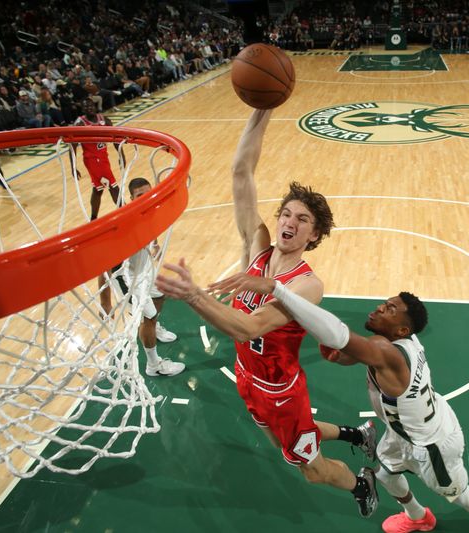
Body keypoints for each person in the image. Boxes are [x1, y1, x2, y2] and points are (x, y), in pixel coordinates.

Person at [155, 109, 379, 518]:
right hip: (246, 377)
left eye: (302, 219)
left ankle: (362, 482)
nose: (289, 222)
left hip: (282, 392)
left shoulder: (307, 285)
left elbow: (250, 326)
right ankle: (354, 433)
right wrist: (264, 108)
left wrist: (193, 296)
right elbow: (242, 173)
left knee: (312, 471)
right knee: (285, 442)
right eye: (286, 214)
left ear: (313, 236)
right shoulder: (256, 246)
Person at [206, 275, 469, 533]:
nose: (381, 308)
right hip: (403, 430)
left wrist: (279, 290)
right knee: (385, 472)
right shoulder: (396, 343)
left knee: (459, 494)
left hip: (431, 444)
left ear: (402, 327)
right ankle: (418, 517)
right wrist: (339, 356)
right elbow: (352, 354)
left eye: (390, 310)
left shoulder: (387, 351)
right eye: (385, 303)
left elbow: (339, 336)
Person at [101, 177, 182, 376]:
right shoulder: (120, 225)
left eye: (147, 193)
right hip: (126, 277)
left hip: (144, 268)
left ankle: (154, 328)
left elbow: (150, 232)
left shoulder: (148, 212)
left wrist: (154, 247)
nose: (145, 198)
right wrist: (105, 302)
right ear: (131, 198)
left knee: (160, 296)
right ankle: (154, 366)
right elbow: (103, 264)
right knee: (148, 316)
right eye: (139, 196)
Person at [70, 98, 121, 220]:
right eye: (86, 107)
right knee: (113, 186)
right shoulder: (80, 124)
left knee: (98, 189)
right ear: (82, 110)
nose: (89, 108)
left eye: (91, 105)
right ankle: (125, 212)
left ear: (94, 106)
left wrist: (121, 155)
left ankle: (93, 219)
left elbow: (116, 138)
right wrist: (73, 166)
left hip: (103, 158)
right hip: (92, 160)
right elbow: (72, 146)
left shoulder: (104, 119)